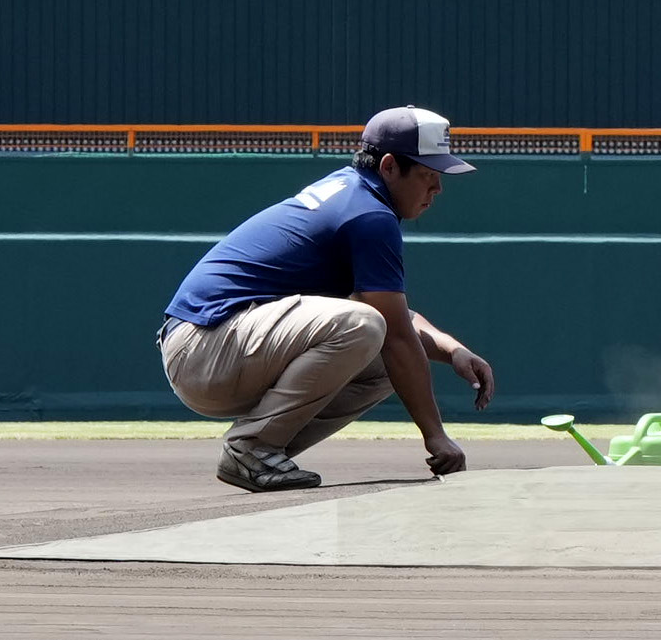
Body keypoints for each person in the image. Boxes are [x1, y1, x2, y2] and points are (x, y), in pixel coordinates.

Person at [158, 107, 497, 492]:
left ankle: (265, 449)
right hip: (207, 345)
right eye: (427, 175)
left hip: (220, 346)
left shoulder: (354, 194)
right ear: (389, 166)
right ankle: (252, 447)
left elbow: (395, 320)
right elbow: (393, 332)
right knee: (369, 329)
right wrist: (436, 436)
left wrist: (452, 350)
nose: (437, 189)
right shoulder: (369, 215)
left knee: (385, 353)